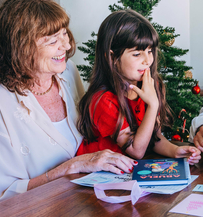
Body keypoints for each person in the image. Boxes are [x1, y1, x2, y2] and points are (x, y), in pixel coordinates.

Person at [0, 0, 137, 212]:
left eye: (64, 34)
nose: (67, 45)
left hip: (78, 203)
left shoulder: (68, 72)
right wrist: (73, 166)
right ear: (21, 47)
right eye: (53, 40)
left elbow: (92, 134)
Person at [76, 10, 201, 164]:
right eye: (137, 54)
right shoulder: (103, 100)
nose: (147, 60)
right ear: (112, 57)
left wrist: (175, 150)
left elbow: (153, 137)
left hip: (128, 172)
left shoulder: (149, 85)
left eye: (150, 51)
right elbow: (137, 151)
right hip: (97, 177)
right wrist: (153, 104)